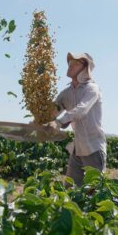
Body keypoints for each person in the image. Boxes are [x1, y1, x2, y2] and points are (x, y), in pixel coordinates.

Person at [46, 52, 107, 188]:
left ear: (85, 68)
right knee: (70, 189)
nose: (70, 65)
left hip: (93, 148)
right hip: (77, 149)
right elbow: (53, 111)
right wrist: (40, 118)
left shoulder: (92, 89)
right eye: (69, 63)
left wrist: (59, 122)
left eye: (75, 63)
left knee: (94, 191)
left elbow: (81, 110)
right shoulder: (66, 93)